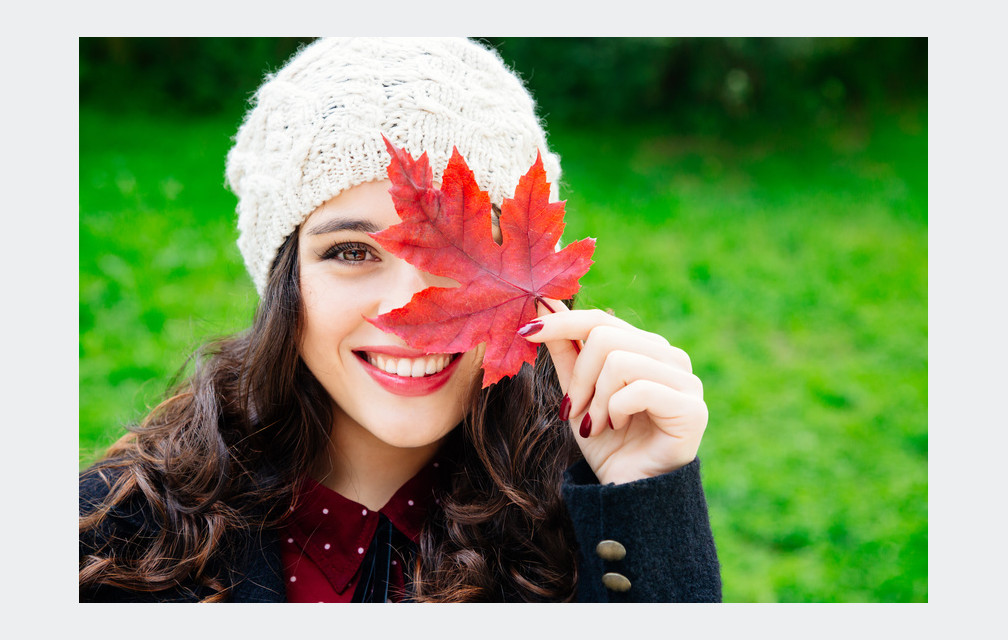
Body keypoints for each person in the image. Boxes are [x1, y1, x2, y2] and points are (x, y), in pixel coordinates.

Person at [79, 37, 721, 603]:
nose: (408, 314)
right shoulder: (117, 538)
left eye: (451, 255)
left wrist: (644, 504)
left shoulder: (587, 528)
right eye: (352, 252)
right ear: (285, 281)